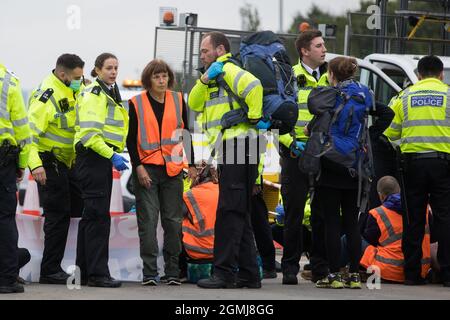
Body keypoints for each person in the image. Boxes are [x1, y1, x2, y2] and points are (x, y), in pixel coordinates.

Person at [188, 31, 264, 289]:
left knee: (228, 211)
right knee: (239, 211)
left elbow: (255, 87)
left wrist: (253, 116)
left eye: (205, 50)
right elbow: (195, 103)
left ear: (220, 50)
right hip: (238, 147)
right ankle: (249, 274)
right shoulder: (213, 76)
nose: (202, 55)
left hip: (239, 145)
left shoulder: (230, 69)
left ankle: (223, 274)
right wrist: (204, 77)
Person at [127, 59, 196, 286]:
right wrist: (138, 167)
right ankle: (149, 273)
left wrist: (193, 164)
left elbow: (186, 133)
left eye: (164, 76)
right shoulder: (136, 103)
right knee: (147, 222)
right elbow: (130, 140)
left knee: (173, 223)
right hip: (147, 170)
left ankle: (172, 272)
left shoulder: (178, 100)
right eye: (157, 77)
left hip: (173, 170)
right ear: (148, 80)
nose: (161, 80)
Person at [384, 55, 450, 287]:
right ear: (441, 74)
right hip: (444, 165)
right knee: (445, 218)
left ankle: (412, 274)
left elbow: (390, 133)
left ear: (419, 74)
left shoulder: (404, 96)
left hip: (413, 165)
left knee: (414, 218)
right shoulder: (449, 95)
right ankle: (447, 273)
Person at [312, 56, 373, 289]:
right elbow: (385, 113)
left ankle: (335, 274)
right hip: (355, 165)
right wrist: (369, 138)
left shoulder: (330, 95)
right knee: (351, 222)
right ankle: (355, 275)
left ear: (332, 74)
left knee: (331, 222)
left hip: (331, 163)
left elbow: (318, 123)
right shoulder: (363, 94)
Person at [277, 29, 329, 285]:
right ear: (304, 51)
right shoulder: (289, 79)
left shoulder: (330, 78)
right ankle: (289, 268)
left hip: (323, 154)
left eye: (324, 45)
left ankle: (319, 268)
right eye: (319, 46)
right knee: (294, 213)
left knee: (321, 213)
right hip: (295, 153)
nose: (324, 49)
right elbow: (275, 118)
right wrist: (291, 143)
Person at [28, 53, 85, 284]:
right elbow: (28, 135)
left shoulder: (73, 89)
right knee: (58, 213)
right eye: (76, 77)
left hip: (67, 162)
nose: (80, 81)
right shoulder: (46, 97)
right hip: (47, 161)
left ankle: (69, 263)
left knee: (79, 207)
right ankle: (50, 269)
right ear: (62, 74)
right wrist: (35, 165)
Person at [74, 53, 129, 288]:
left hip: (99, 159)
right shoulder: (94, 94)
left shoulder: (108, 91)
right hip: (94, 158)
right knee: (97, 219)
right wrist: (112, 154)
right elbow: (90, 135)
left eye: (116, 67)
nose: (114, 72)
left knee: (91, 218)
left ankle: (84, 272)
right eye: (108, 68)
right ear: (97, 70)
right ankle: (97, 274)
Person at [356, 176, 431, 283]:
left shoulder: (378, 213)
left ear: (381, 196)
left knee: (351, 238)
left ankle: (338, 271)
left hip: (388, 269)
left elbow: (370, 241)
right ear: (399, 190)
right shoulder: (424, 209)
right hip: (420, 270)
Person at [0, 63, 31, 294]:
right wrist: (21, 164)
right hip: (3, 160)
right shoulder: (8, 80)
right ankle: (6, 278)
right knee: (4, 219)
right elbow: (22, 129)